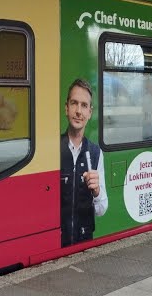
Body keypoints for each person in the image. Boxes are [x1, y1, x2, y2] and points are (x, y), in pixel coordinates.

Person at [61, 78, 108, 247]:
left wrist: (96, 192)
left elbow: (102, 209)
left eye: (84, 105)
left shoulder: (96, 153)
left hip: (84, 244)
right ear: (67, 108)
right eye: (74, 103)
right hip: (55, 244)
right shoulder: (52, 151)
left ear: (90, 112)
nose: (78, 111)